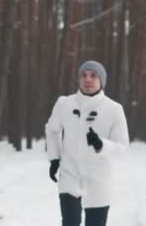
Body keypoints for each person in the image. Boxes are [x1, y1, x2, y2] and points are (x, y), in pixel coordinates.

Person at [45, 60, 129, 226]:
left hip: (98, 179)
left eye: (93, 75)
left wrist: (101, 145)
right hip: (70, 175)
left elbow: (122, 148)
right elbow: (51, 129)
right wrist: (54, 158)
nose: (88, 79)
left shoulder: (114, 109)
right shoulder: (65, 103)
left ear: (101, 80)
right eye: (84, 75)